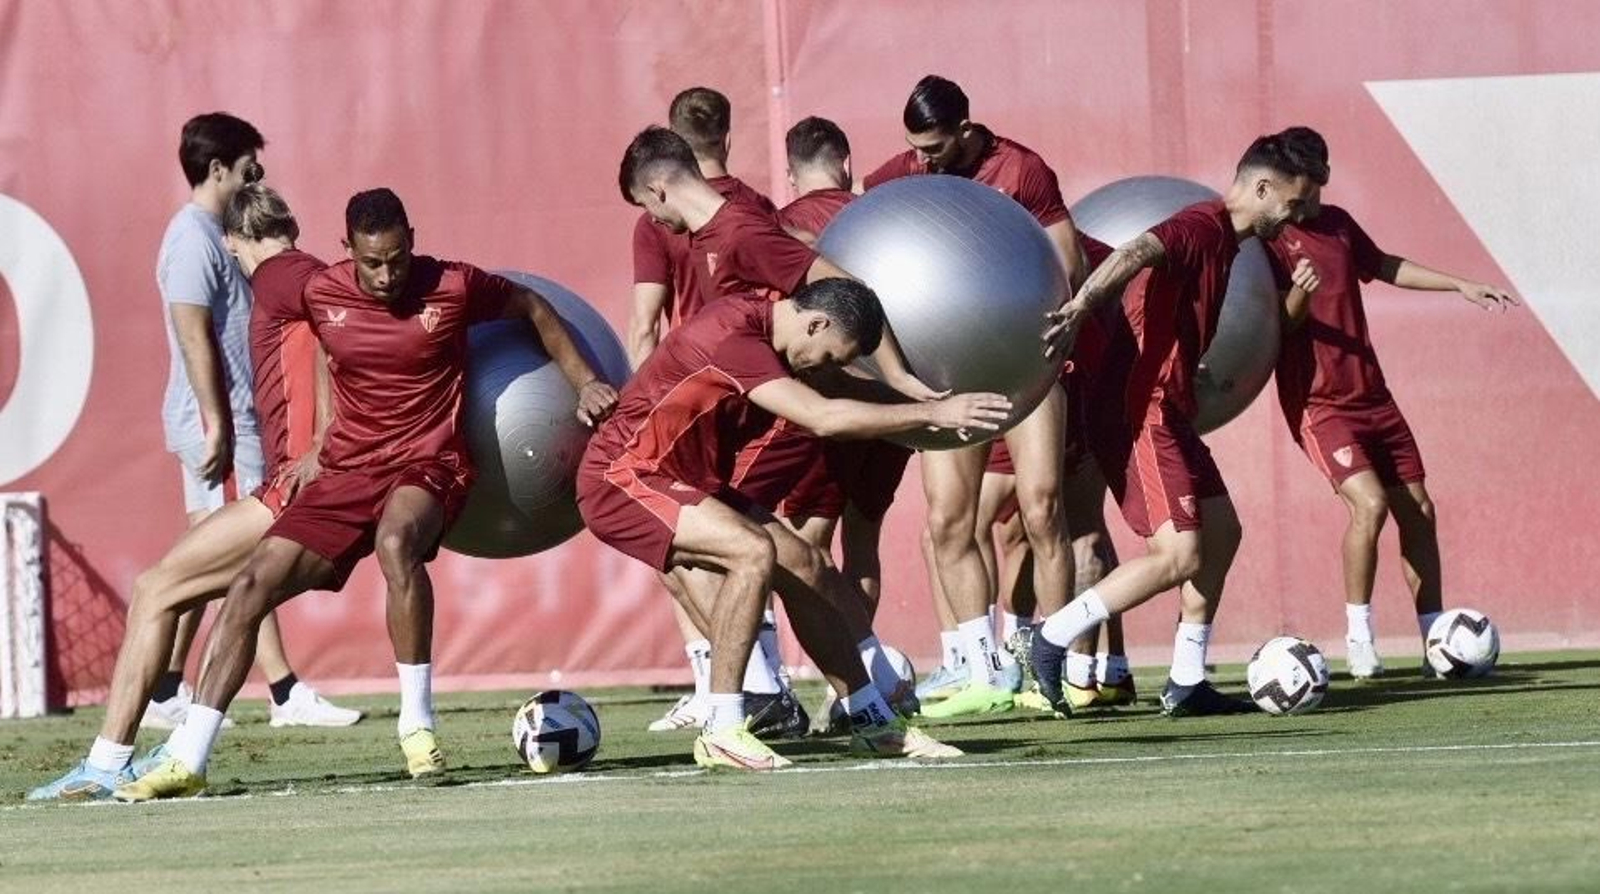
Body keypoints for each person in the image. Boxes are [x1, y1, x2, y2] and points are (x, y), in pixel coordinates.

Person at [114, 188, 619, 800]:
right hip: (347, 472)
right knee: (249, 588)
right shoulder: (319, 291)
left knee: (396, 542)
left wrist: (584, 380)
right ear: (347, 250)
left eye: (397, 259)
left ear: (412, 240)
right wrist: (320, 438)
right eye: (372, 262)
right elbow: (318, 339)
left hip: (428, 464)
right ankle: (189, 757)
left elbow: (533, 305)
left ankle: (417, 726)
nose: (386, 275)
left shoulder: (453, 286)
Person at [576, 273, 1003, 769]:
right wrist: (934, 413)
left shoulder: (786, 339)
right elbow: (824, 417)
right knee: (752, 552)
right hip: (623, 477)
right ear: (817, 324)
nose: (829, 369)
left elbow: (843, 390)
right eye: (832, 357)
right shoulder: (734, 337)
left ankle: (874, 723)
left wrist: (934, 402)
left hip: (686, 481)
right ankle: (722, 729)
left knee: (807, 564)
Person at [26, 184, 361, 801]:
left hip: (300, 494)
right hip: (293, 489)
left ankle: (110, 761)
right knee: (207, 596)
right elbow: (345, 329)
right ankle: (179, 741)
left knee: (157, 589)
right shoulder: (300, 275)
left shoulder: (281, 275)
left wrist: (324, 437)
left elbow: (342, 316)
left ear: (232, 243)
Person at [626, 125, 934, 726]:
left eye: (645, 206)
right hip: (747, 415)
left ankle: (771, 691)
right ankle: (866, 681)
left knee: (711, 550)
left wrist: (898, 377)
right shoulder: (723, 230)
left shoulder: (739, 231)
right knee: (784, 556)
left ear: (658, 189)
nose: (652, 222)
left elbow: (844, 287)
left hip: (773, 416)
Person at [1032, 129, 1325, 717]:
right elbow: (1135, 251)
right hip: (1140, 410)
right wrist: (1082, 306)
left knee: (1222, 533)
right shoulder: (1201, 226)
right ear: (1261, 189)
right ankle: (1050, 637)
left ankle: (1187, 680)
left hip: (1171, 408)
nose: (1298, 218)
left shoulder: (1231, 243)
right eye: (1293, 203)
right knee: (1178, 555)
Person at [864, 75, 1104, 718]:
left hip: (1023, 365)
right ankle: (982, 667)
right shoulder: (902, 175)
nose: (923, 160)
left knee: (1042, 508)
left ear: (966, 130)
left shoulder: (1022, 169)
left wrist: (1043, 334)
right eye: (915, 147)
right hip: (949, 370)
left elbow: (1068, 264)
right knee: (948, 519)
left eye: (935, 146)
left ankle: (1056, 663)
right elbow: (864, 236)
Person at [1265, 127, 1518, 679]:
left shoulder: (1338, 223)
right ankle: (1360, 638)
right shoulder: (1270, 239)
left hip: (1374, 397)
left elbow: (1383, 265)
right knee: (1370, 505)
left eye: (1310, 190)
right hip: (1320, 404)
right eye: (1295, 191)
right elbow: (1278, 326)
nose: (1302, 202)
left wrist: (1460, 285)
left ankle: (1435, 642)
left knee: (1419, 511)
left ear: (1322, 179)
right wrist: (1301, 291)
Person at [147, 113, 355, 733]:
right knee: (233, 558)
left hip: (238, 419)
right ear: (218, 170)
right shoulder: (193, 238)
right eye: (248, 169)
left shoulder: (218, 233)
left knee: (215, 560)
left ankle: (168, 688)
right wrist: (217, 423)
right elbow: (192, 333)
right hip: (223, 424)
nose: (255, 179)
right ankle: (279, 690)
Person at [626, 87, 793, 735]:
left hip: (691, 397)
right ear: (727, 136)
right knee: (757, 543)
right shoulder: (754, 207)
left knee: (685, 543)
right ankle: (764, 685)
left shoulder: (656, 217)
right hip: (756, 394)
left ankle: (740, 685)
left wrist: (642, 406)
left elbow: (645, 323)